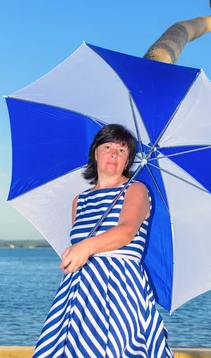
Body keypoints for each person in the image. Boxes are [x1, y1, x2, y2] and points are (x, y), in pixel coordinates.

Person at [33, 123, 174, 358]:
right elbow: (79, 243)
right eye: (108, 146)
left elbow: (126, 231)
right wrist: (75, 253)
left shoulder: (136, 189)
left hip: (119, 287)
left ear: (127, 160)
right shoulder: (80, 200)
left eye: (122, 151)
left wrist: (86, 247)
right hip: (80, 287)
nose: (114, 154)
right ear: (95, 153)